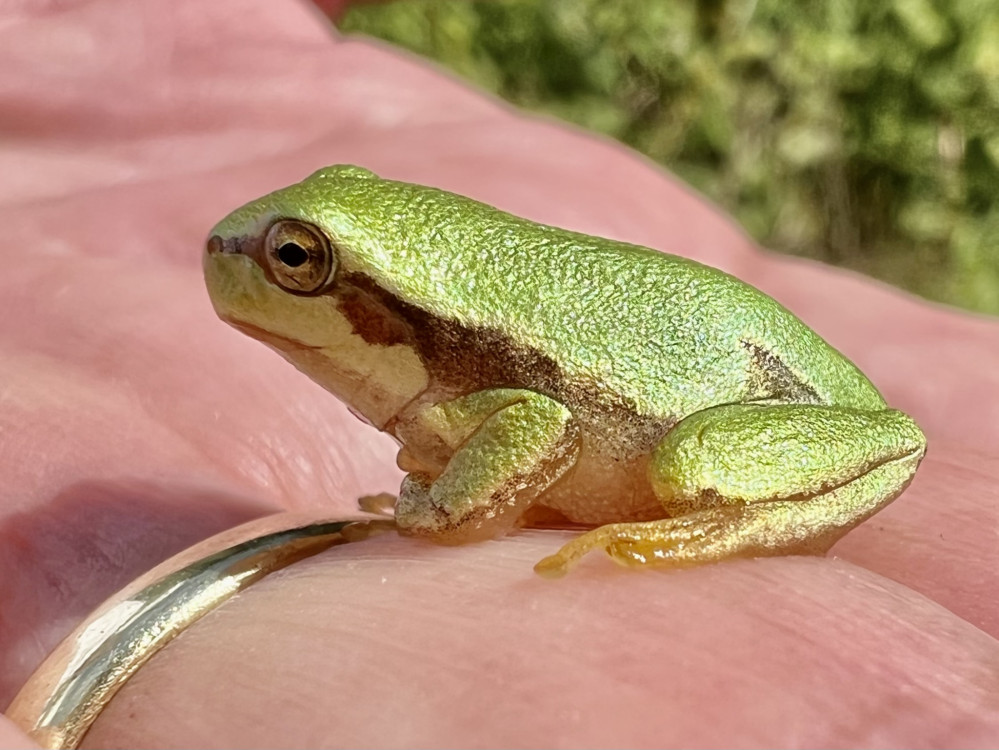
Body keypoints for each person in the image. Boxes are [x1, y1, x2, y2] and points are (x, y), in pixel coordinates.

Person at [2, 0, 998, 746]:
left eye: (298, 264)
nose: (233, 259)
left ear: (370, 305)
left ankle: (731, 514)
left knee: (692, 469)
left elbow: (537, 421)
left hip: (707, 410)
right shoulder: (431, 365)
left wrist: (441, 512)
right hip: (675, 350)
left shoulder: (465, 380)